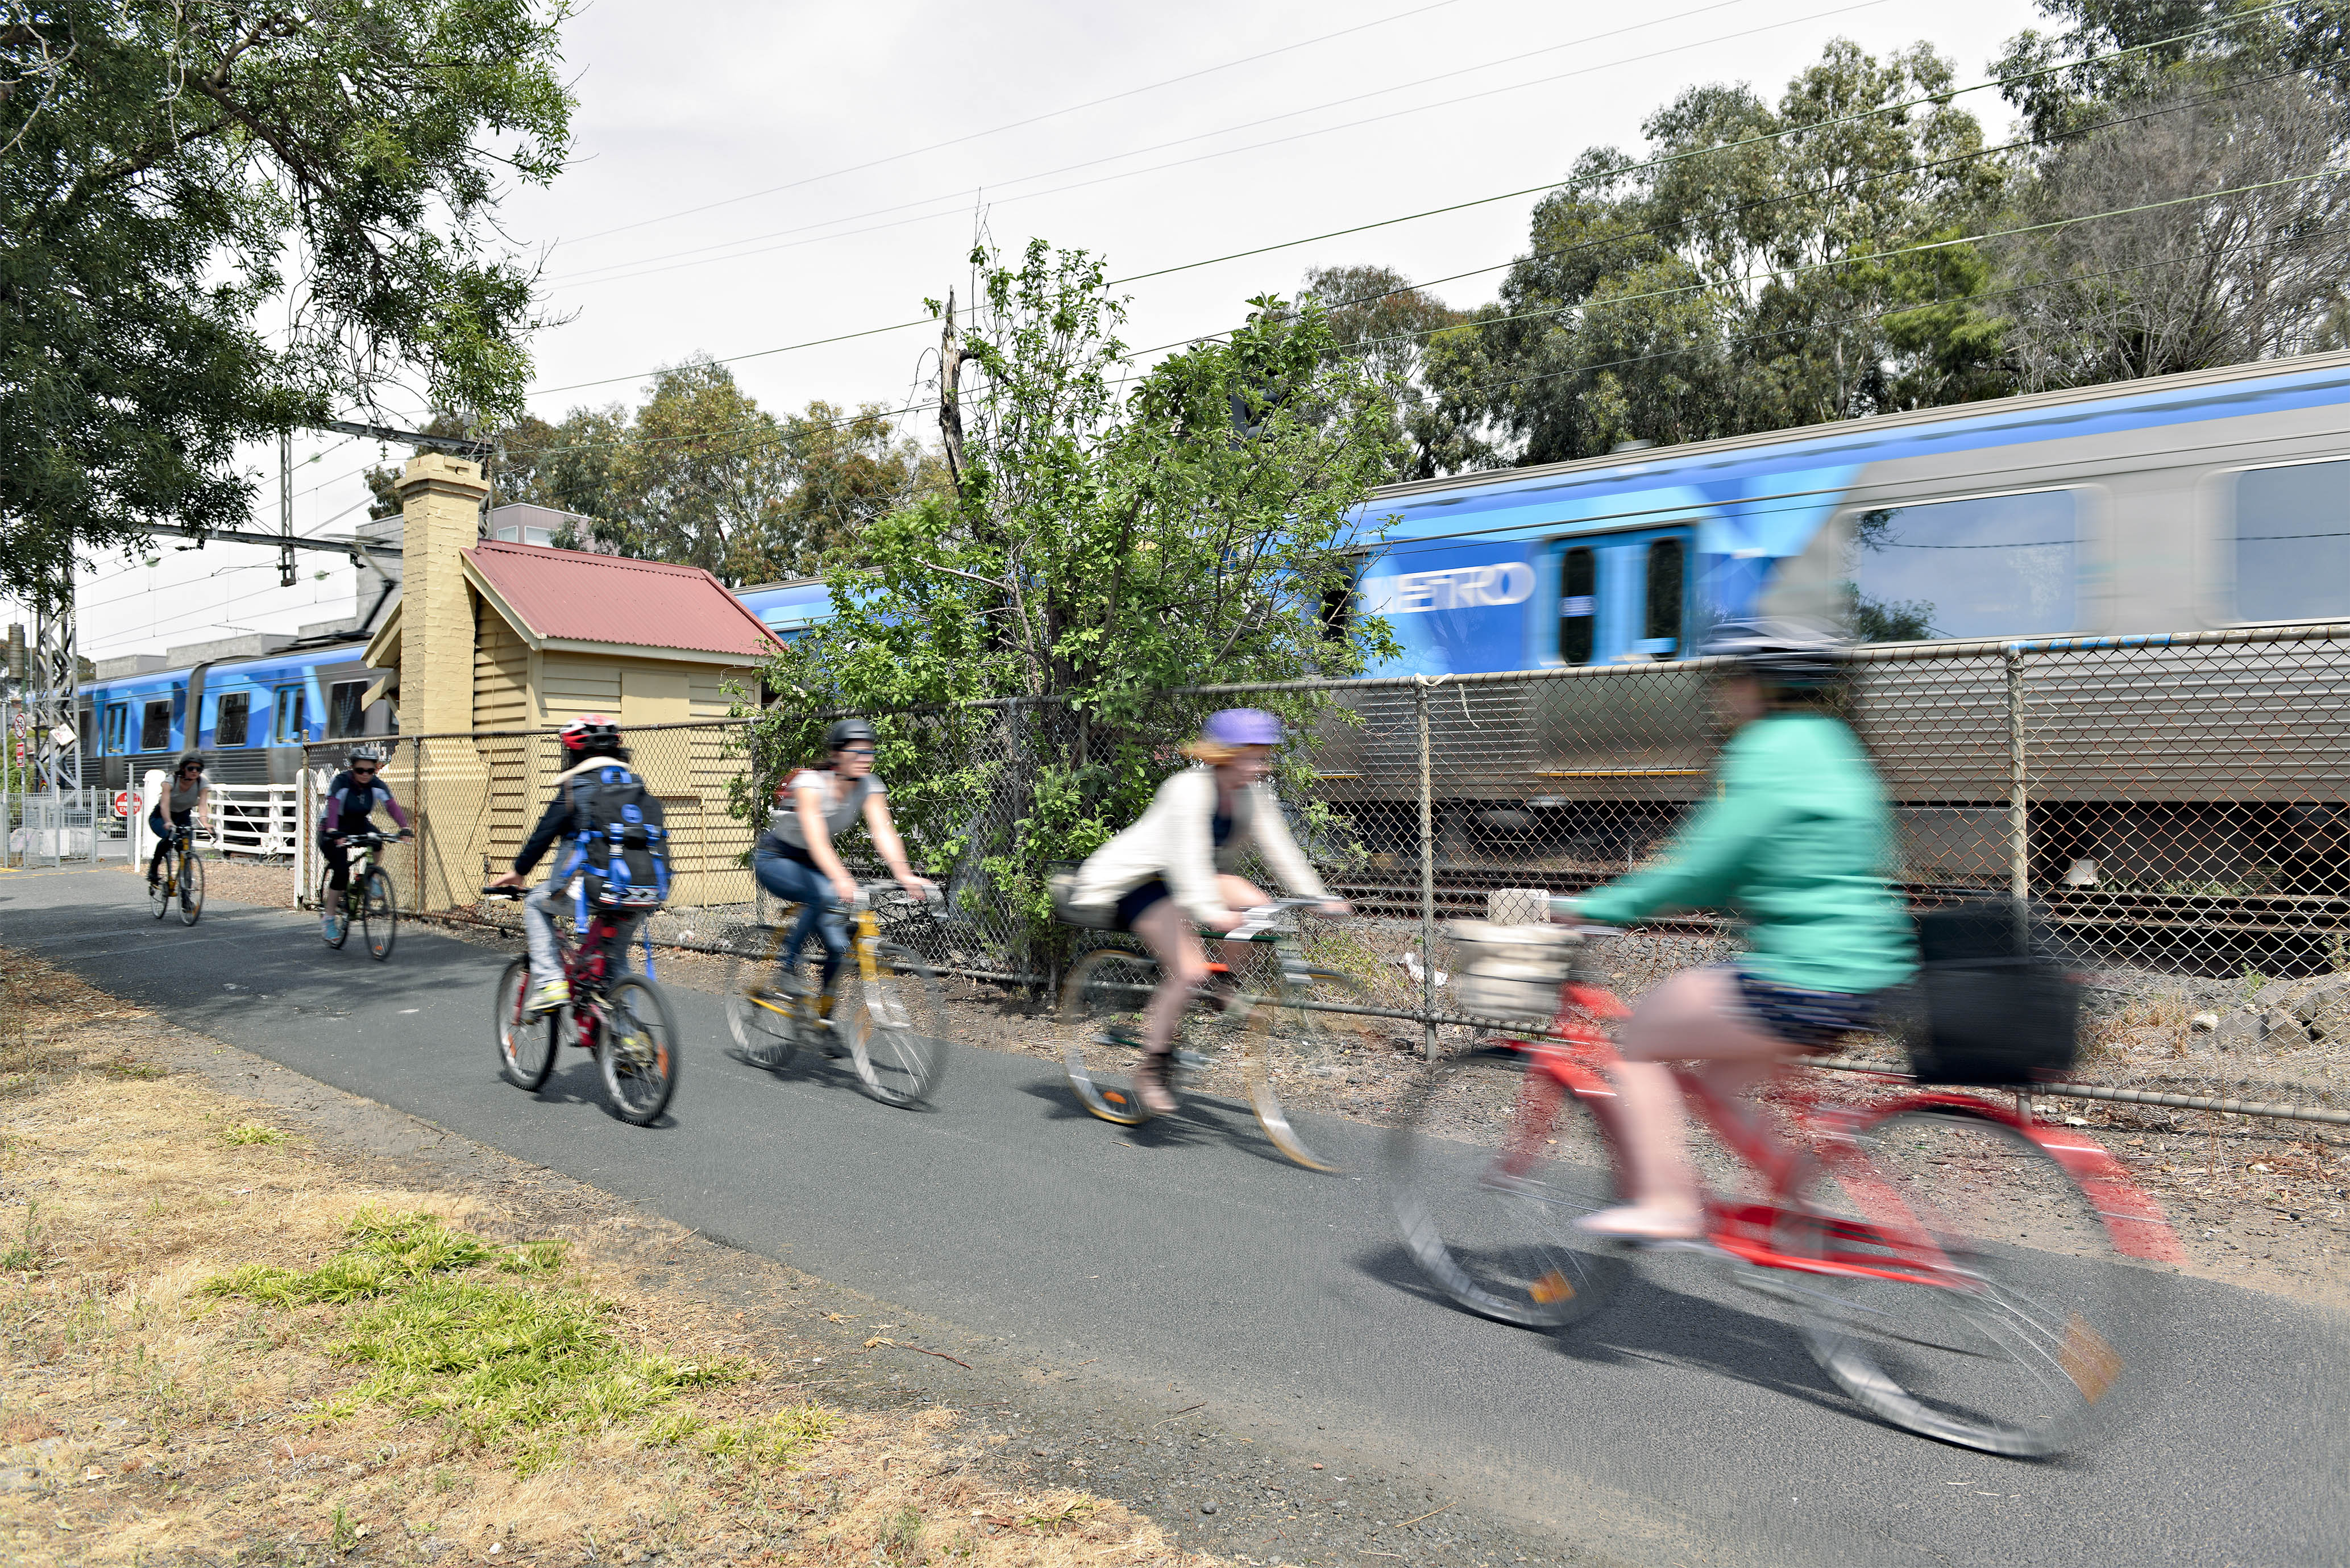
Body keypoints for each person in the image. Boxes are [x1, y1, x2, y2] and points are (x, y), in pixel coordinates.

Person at [1555, 619, 1917, 1241]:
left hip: (1800, 978)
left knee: (1641, 1039)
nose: (1725, 694)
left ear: (1756, 685)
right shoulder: (1839, 744)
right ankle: (1791, 1208)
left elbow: (1702, 868)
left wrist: (1604, 906)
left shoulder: (1765, 748)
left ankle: (1669, 1204)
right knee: (1716, 1080)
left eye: (1732, 679)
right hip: (1872, 973)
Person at [1065, 708, 1350, 1116]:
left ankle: (1223, 985)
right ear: (1224, 754)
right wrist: (1212, 912)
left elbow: (1281, 851)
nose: (1261, 764)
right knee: (1189, 969)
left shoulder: (1254, 796)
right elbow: (1187, 861)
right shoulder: (1187, 790)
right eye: (1252, 754)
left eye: (1264, 755)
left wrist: (1318, 897)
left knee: (1258, 904)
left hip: (1183, 880)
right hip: (1138, 881)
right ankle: (1152, 1068)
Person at [750, 717, 933, 1049]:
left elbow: (884, 831)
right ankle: (787, 969)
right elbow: (818, 841)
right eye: (857, 751)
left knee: (839, 941)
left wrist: (903, 873)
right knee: (822, 892)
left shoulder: (868, 785)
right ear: (837, 754)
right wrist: (840, 878)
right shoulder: (810, 784)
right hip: (776, 860)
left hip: (814, 864)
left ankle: (823, 1020)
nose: (866, 758)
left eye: (870, 751)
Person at [485, 716, 636, 1014]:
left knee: (535, 904)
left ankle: (552, 982)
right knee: (615, 960)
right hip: (638, 889)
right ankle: (629, 1037)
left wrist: (519, 871)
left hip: (590, 890)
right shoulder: (634, 784)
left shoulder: (575, 786)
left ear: (574, 753)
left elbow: (545, 832)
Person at [318, 751, 412, 933]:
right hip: (332, 827)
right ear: (352, 768)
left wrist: (404, 827)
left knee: (377, 840)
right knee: (341, 871)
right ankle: (329, 918)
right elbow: (333, 804)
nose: (365, 775)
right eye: (360, 770)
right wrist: (333, 830)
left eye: (370, 771)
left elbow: (391, 806)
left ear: (375, 770)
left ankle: (372, 877)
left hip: (358, 824)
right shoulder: (342, 782)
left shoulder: (377, 785)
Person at [146, 753, 209, 888]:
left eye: (198, 770)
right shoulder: (171, 781)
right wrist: (168, 821)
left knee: (186, 850)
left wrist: (205, 823)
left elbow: (203, 804)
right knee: (169, 837)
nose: (194, 772)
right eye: (191, 768)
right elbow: (164, 805)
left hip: (183, 816)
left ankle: (186, 896)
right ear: (183, 768)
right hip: (161, 816)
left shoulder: (202, 783)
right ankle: (153, 870)